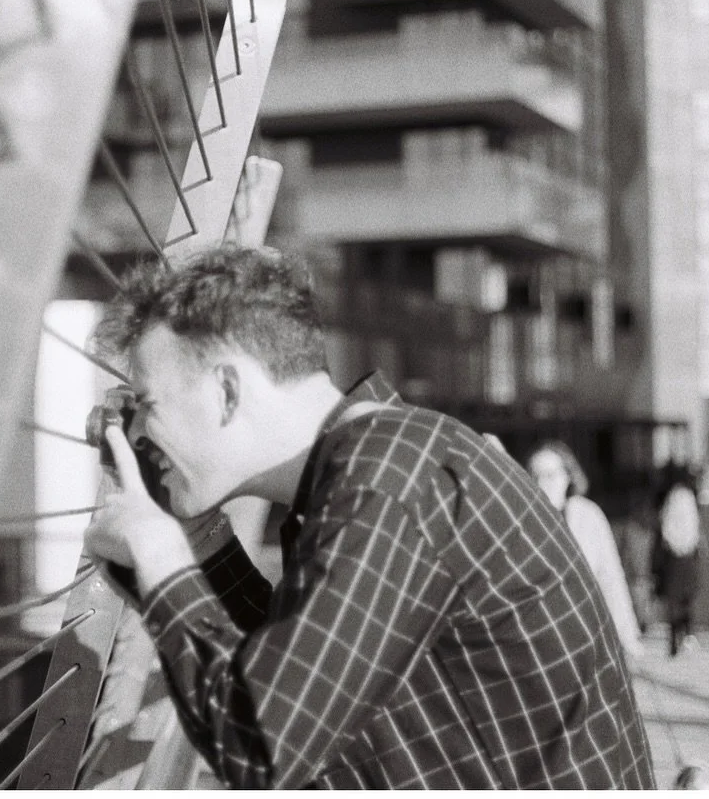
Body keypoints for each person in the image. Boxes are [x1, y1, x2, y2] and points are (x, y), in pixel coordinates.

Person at [83, 245, 654, 789]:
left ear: (228, 390)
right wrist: (191, 541)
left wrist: (159, 553)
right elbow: (305, 668)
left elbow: (262, 743)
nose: (133, 432)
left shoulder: (389, 479)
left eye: (148, 405)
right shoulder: (376, 463)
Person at [527, 441, 645, 658]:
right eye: (536, 475)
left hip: (584, 639)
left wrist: (627, 636)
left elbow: (610, 578)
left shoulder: (589, 516)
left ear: (568, 476)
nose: (543, 483)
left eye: (551, 475)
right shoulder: (524, 521)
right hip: (538, 645)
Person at [650, 480, 703, 656]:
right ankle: (687, 634)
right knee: (686, 600)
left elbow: (665, 530)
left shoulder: (671, 503)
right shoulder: (688, 502)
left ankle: (674, 638)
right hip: (686, 558)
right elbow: (694, 530)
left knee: (674, 601)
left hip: (673, 559)